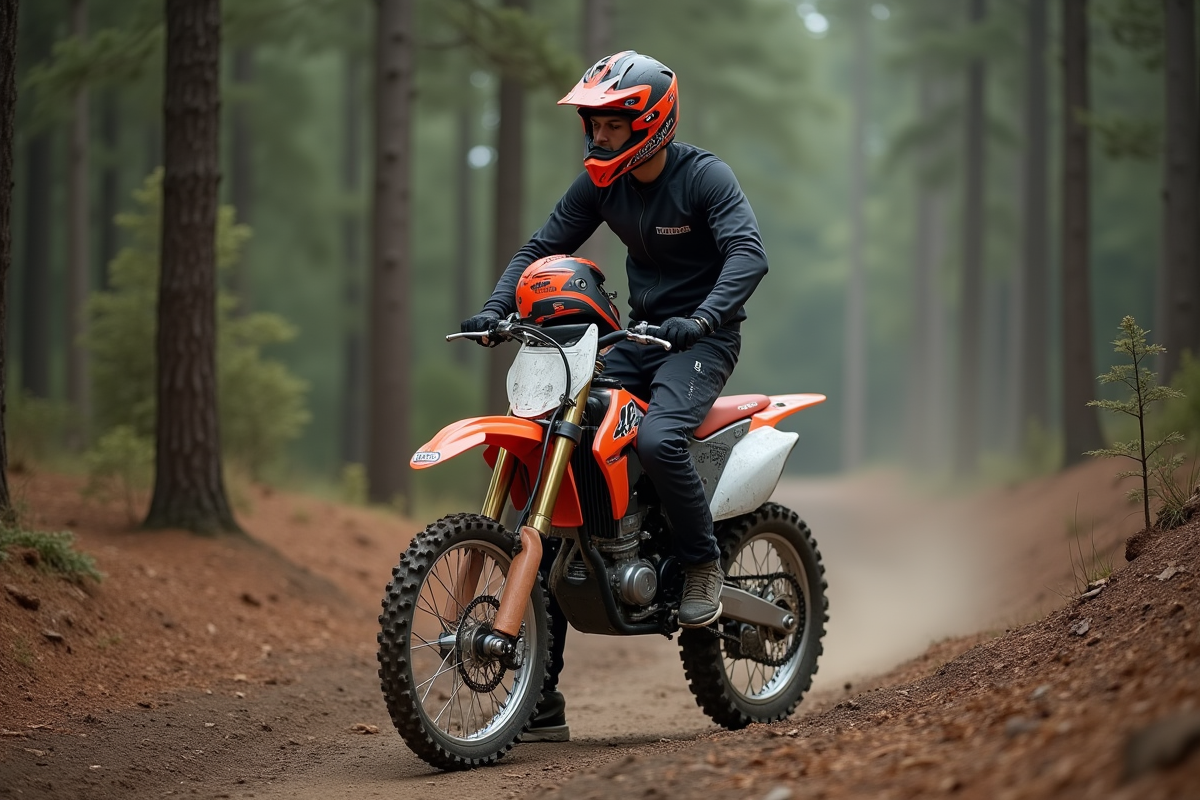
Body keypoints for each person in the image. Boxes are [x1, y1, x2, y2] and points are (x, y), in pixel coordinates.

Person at [460, 50, 769, 742]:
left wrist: (706, 317)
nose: (596, 137)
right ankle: (540, 699)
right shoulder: (604, 186)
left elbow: (749, 253)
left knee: (658, 439)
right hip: (632, 338)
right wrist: (494, 308)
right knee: (559, 465)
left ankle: (700, 564)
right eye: (592, 124)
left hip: (701, 341)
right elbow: (540, 248)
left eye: (610, 125)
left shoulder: (703, 177)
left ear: (650, 122)